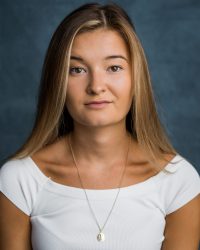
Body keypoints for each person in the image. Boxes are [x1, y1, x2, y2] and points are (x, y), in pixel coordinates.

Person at [0, 2, 199, 250]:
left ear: (136, 78)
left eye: (114, 67)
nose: (96, 86)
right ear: (57, 81)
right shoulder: (19, 180)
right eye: (77, 69)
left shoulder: (178, 181)